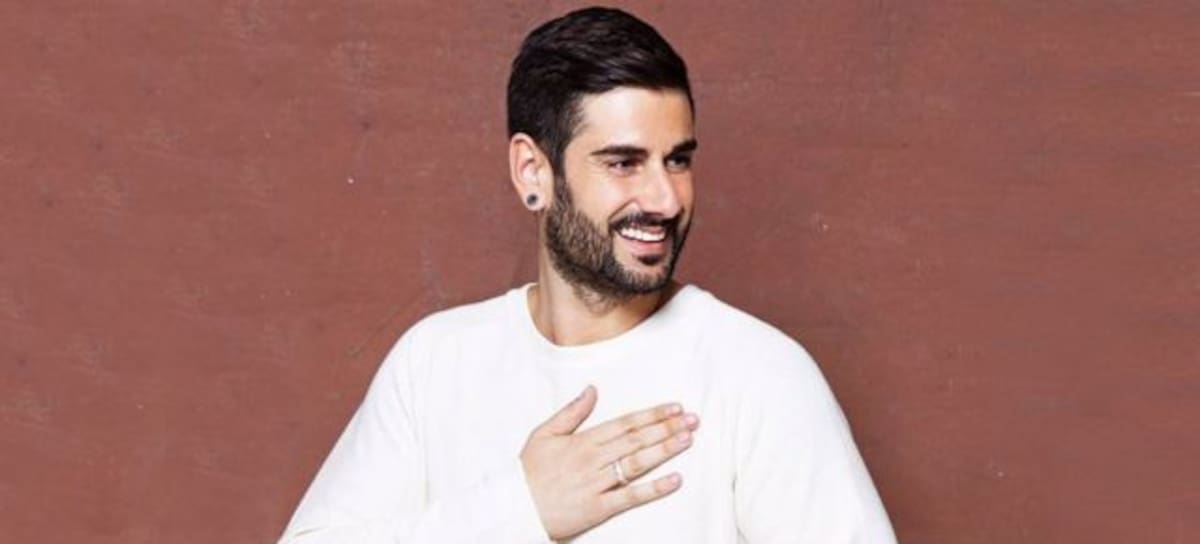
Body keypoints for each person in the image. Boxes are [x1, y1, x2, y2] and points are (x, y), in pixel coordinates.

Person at [278, 7, 895, 543]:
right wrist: (523, 509)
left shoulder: (761, 376)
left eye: (678, 160)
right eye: (624, 163)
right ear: (533, 172)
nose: (666, 199)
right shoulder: (434, 364)